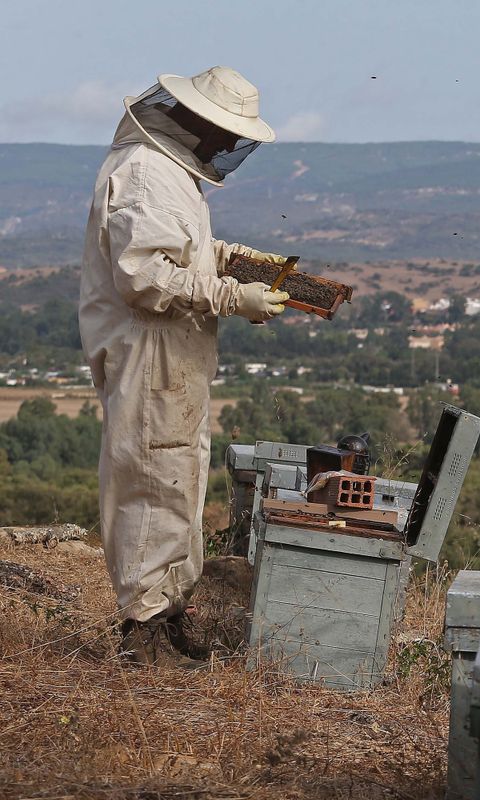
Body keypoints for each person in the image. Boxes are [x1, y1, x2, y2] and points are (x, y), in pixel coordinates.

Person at [78, 66, 290, 667]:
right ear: (195, 121)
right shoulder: (145, 173)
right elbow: (145, 278)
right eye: (223, 132)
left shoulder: (168, 173)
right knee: (153, 478)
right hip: (151, 348)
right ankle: (142, 630)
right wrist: (230, 294)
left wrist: (240, 262)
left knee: (177, 476)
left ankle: (166, 613)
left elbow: (185, 251)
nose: (228, 146)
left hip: (172, 349)